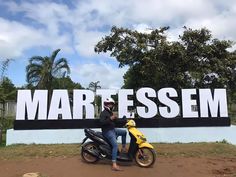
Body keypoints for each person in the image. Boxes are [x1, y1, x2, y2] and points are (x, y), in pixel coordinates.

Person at [100, 98, 127, 171]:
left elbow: (117, 121)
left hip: (113, 130)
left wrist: (125, 120)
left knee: (124, 132)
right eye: (110, 104)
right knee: (115, 145)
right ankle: (114, 165)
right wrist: (110, 119)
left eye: (112, 104)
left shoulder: (110, 113)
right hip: (107, 131)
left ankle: (123, 148)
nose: (111, 105)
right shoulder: (103, 113)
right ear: (106, 104)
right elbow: (102, 123)